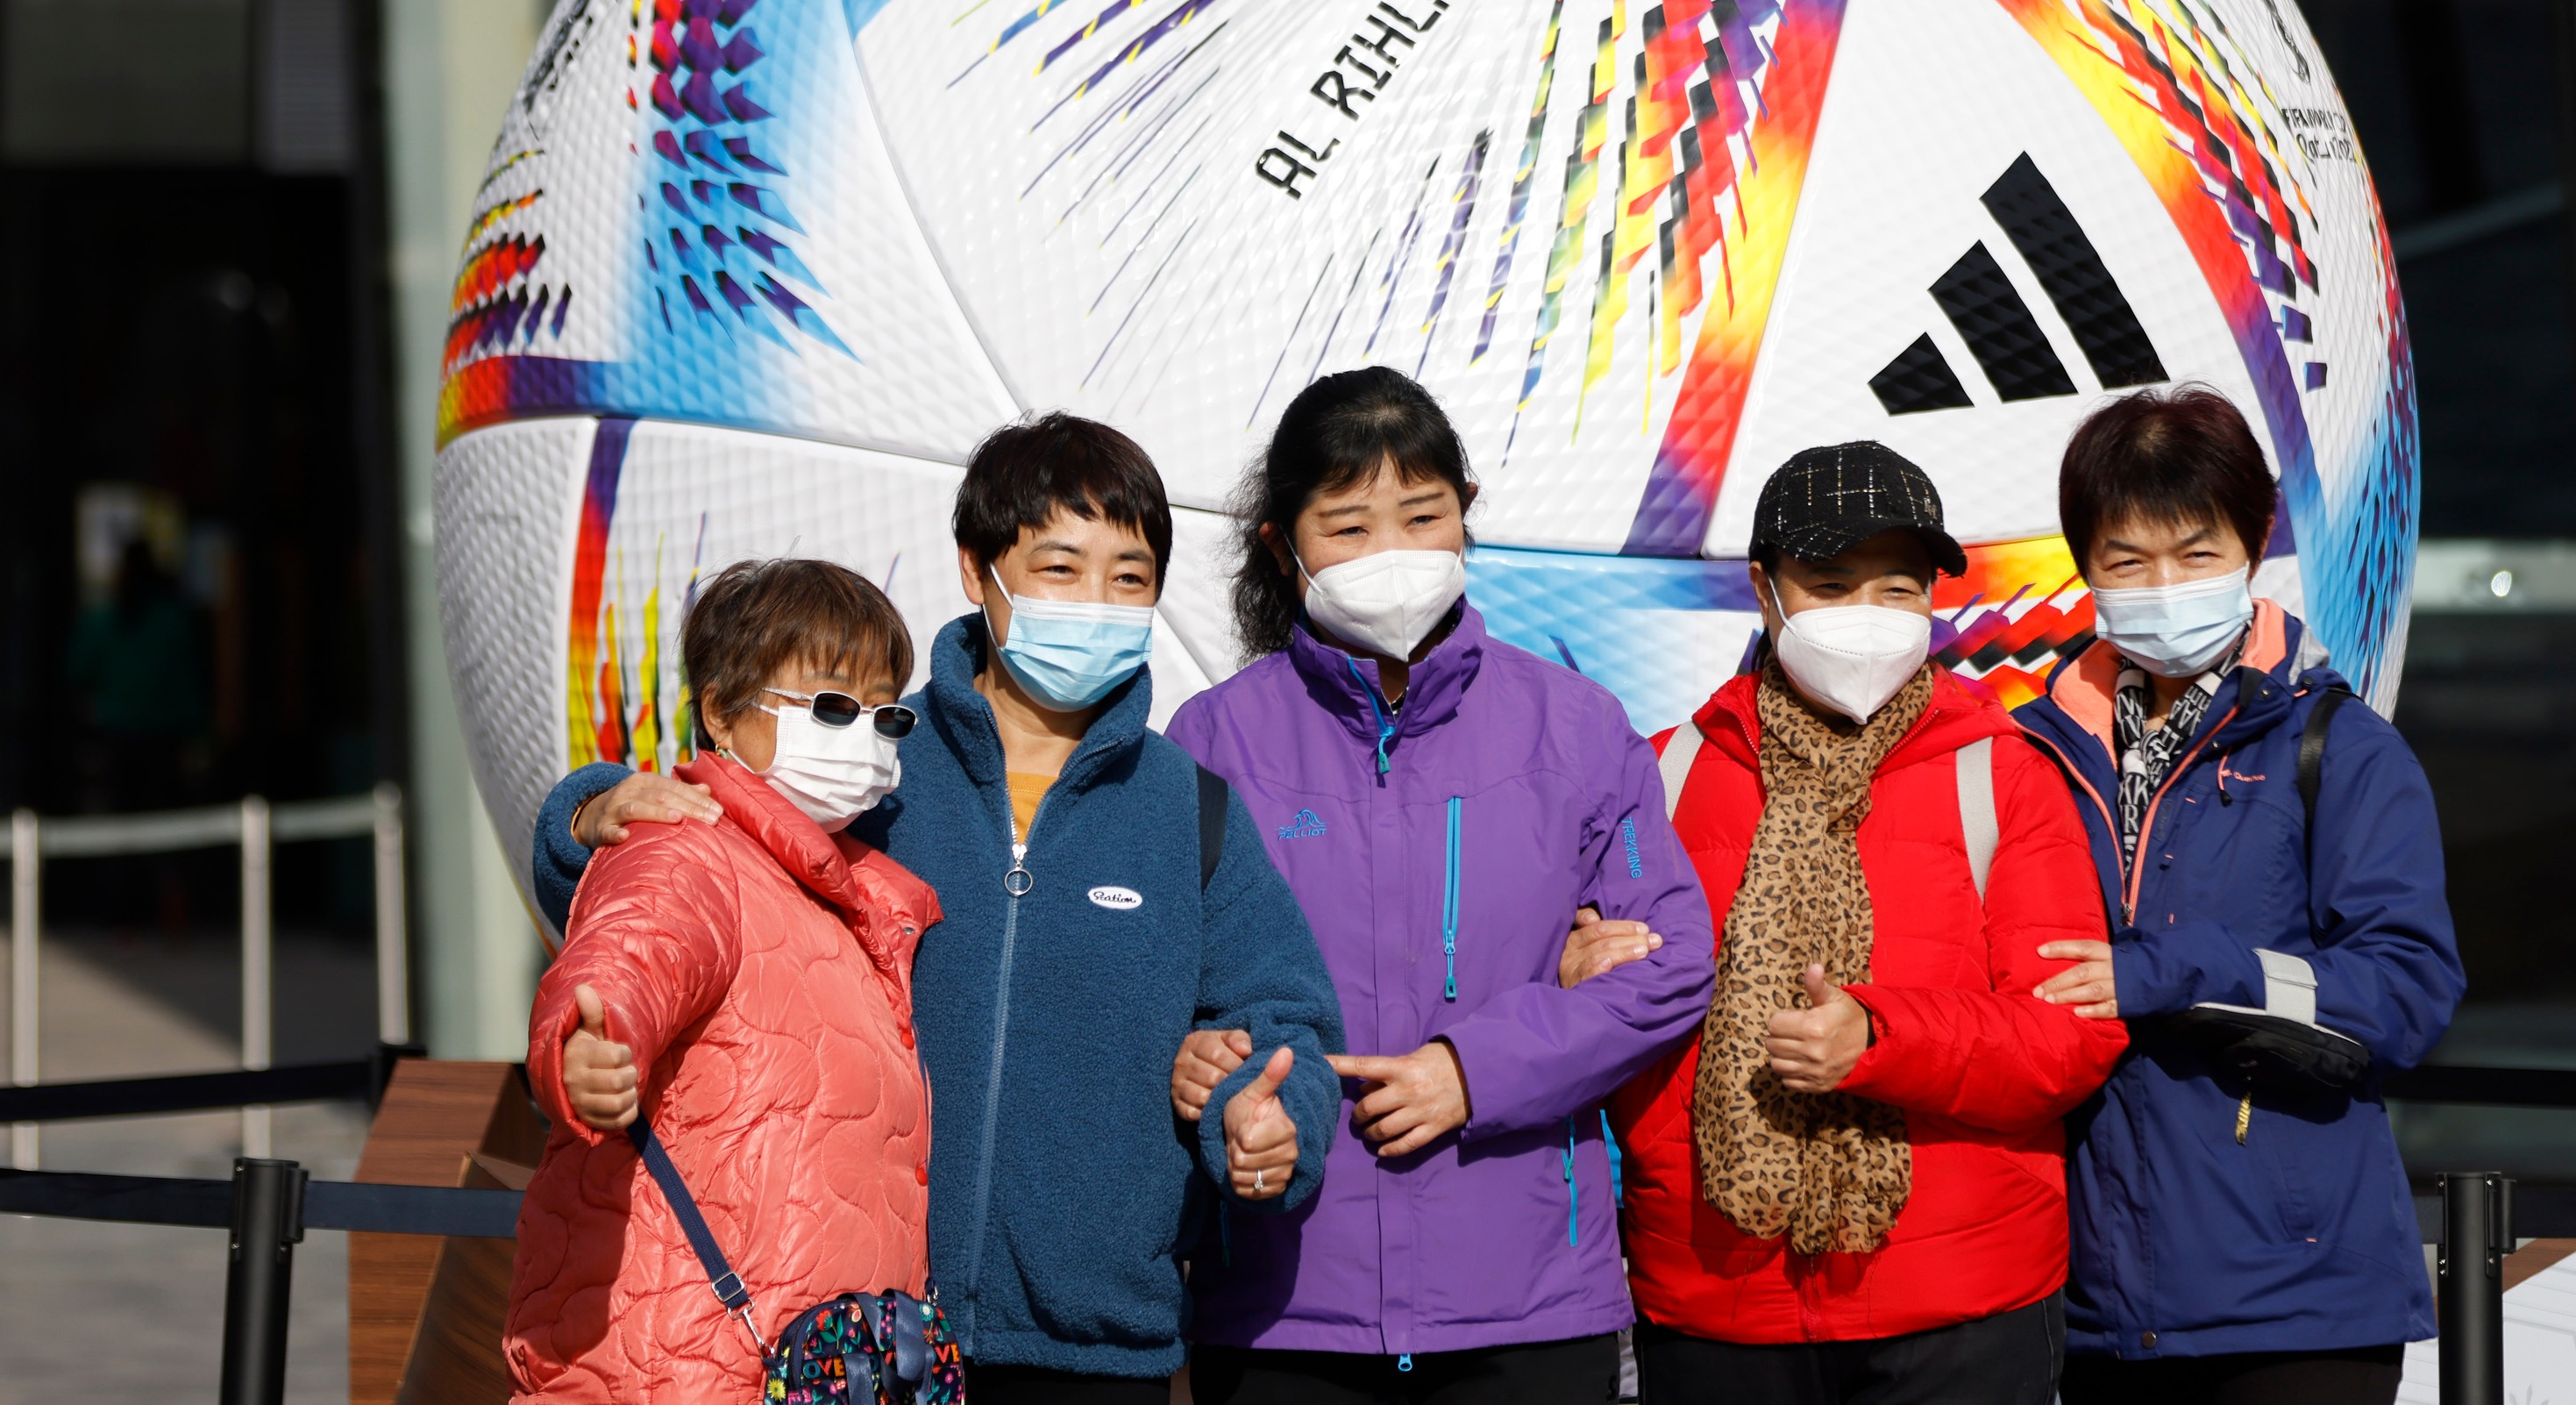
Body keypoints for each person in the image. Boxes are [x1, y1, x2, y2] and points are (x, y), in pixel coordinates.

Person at [535, 414, 1344, 1403]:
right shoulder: (870, 765)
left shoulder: (1189, 809)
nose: (1096, 601)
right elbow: (690, 861)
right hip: (870, 1339)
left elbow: (1281, 1013)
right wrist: (585, 807)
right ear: (977, 569)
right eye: (1059, 566)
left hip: (1101, 1347)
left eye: (1128, 577)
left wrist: (1265, 1118)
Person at [1163, 365, 1714, 1405]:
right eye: (1350, 527)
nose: (1394, 557)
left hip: (1528, 1297)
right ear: (1285, 548)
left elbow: (1675, 961)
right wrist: (1203, 1066)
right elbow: (1166, 984)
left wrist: (1477, 1071)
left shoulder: (1576, 727)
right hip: (1285, 1305)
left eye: (1424, 516)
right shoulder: (1214, 740)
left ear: (1466, 521)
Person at [1562, 440, 2126, 1402]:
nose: (1868, 617)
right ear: (1764, 588)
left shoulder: (2004, 773)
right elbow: (1589, 1025)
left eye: (1898, 588)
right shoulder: (1662, 773)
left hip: (1962, 1308)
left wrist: (1880, 1036)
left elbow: (2069, 1036)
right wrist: (1579, 985)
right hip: (1715, 1301)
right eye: (1830, 583)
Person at [2012, 385, 2463, 1404]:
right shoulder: (2027, 753)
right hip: (2089, 1298)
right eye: (2128, 560)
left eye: (2196, 553)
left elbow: (2406, 995)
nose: (2163, 586)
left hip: (2299, 1296)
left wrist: (2184, 968)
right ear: (2085, 566)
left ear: (2254, 546)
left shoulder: (2338, 747)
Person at [506, 558, 951, 1404]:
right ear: (719, 711)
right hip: (678, 1363)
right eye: (827, 704)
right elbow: (624, 959)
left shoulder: (854, 895)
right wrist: (583, 1053)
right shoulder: (687, 845)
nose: (859, 734)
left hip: (802, 1363)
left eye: (884, 713)